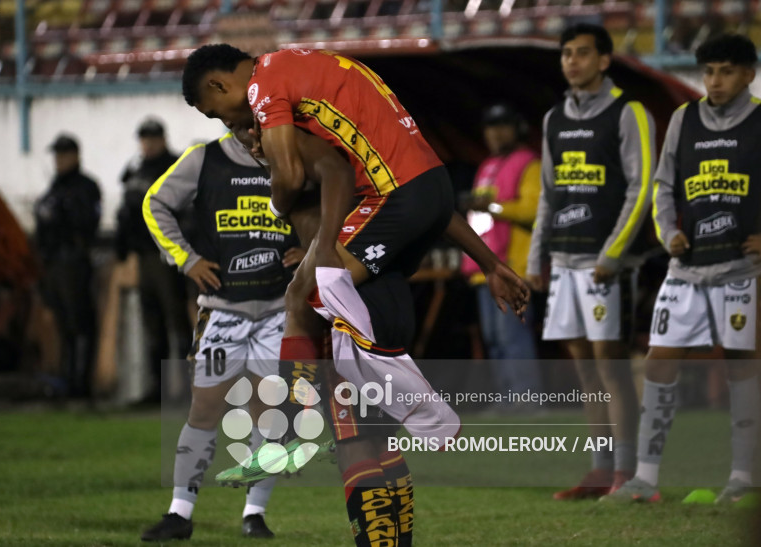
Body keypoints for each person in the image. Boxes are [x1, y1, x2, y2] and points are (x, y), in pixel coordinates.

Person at [181, 44, 529, 546]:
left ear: (219, 87)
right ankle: (390, 536)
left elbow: (296, 181)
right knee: (370, 430)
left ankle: (288, 428)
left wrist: (299, 213)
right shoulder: (313, 82)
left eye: (221, 114)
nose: (234, 126)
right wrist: (492, 262)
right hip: (422, 203)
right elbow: (421, 197)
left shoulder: (266, 90)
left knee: (306, 306)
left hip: (381, 257)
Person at [605, 33, 760, 504]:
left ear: (749, 74)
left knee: (742, 367)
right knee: (660, 360)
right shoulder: (683, 118)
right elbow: (664, 185)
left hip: (742, 267)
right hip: (687, 265)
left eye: (727, 71)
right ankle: (645, 479)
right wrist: (668, 230)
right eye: (709, 71)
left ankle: (743, 478)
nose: (715, 81)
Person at [139, 128, 304, 540]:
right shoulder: (203, 159)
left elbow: (340, 202)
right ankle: (180, 513)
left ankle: (254, 514)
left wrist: (315, 244)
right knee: (205, 408)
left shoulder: (296, 155)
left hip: (278, 309)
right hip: (222, 309)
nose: (251, 127)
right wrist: (186, 258)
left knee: (268, 414)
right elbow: (154, 203)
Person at [526, 23, 657, 498]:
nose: (572, 61)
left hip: (606, 264)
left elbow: (642, 187)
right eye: (566, 54)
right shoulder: (554, 118)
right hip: (563, 260)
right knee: (585, 370)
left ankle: (627, 470)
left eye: (582, 53)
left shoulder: (630, 112)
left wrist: (614, 253)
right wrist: (536, 258)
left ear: (604, 60)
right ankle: (601, 469)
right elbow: (549, 193)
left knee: (611, 365)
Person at [462, 103, 542, 403]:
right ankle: (508, 400)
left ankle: (525, 400)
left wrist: (493, 207)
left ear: (517, 128)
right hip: (485, 267)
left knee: (512, 337)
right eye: (490, 127)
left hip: (512, 265)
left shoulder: (529, 163)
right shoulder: (487, 166)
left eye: (502, 126)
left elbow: (535, 209)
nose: (495, 133)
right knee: (495, 340)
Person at [116, 118, 191, 403]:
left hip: (168, 254)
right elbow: (125, 214)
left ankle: (183, 389)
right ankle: (156, 389)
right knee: (152, 322)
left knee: (176, 321)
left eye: (152, 138)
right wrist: (122, 249)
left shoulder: (175, 165)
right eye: (144, 138)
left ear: (162, 138)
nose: (147, 143)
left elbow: (184, 210)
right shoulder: (135, 169)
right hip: (143, 255)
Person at [33, 134, 101, 398]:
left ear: (75, 156)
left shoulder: (84, 187)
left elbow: (87, 223)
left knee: (79, 322)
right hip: (53, 262)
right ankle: (67, 378)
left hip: (74, 260)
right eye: (56, 156)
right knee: (63, 325)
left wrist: (64, 213)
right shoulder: (54, 187)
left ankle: (80, 383)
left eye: (63, 155)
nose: (58, 161)